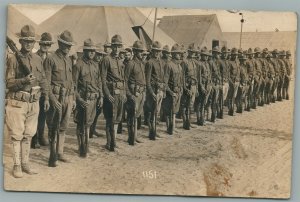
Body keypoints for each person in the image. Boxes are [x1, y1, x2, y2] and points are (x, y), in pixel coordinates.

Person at [5, 25, 50, 177]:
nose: (29, 44)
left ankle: (25, 164)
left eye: (31, 41)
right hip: (18, 102)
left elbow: (43, 80)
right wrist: (24, 80)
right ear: (21, 41)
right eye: (26, 41)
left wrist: (46, 97)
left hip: (34, 102)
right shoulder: (13, 59)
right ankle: (17, 166)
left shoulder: (38, 59)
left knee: (29, 134)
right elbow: (8, 82)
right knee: (17, 135)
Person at [44, 30, 76, 167]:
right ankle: (52, 156)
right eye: (66, 45)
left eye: (70, 46)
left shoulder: (69, 60)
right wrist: (51, 99)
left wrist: (73, 98)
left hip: (68, 97)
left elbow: (71, 81)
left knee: (63, 127)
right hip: (56, 97)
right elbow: (46, 82)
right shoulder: (50, 59)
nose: (69, 48)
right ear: (59, 43)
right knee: (53, 127)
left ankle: (60, 152)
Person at [73, 38, 103, 157]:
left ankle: (87, 146)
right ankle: (82, 148)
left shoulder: (96, 65)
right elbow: (73, 85)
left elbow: (99, 81)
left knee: (89, 124)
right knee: (81, 124)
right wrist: (78, 99)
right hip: (83, 99)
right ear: (84, 51)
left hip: (94, 98)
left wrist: (101, 96)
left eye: (93, 51)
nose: (92, 53)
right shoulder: (78, 65)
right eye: (89, 50)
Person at [101, 34, 127, 151]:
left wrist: (125, 93)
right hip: (111, 93)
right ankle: (109, 143)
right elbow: (102, 79)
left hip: (120, 93)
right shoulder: (106, 59)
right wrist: (107, 94)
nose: (117, 49)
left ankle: (114, 141)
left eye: (119, 46)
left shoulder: (120, 61)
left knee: (117, 119)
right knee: (110, 118)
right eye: (115, 46)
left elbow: (123, 79)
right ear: (111, 47)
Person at [31, 32, 55, 149]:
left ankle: (41, 137)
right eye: (44, 44)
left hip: (47, 90)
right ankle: (34, 139)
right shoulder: (34, 56)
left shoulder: (51, 58)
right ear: (40, 44)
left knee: (43, 116)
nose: (46, 46)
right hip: (37, 90)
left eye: (48, 44)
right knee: (35, 115)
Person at [124, 40, 147, 145]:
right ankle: (131, 138)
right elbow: (125, 80)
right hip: (134, 93)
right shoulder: (130, 64)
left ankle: (135, 136)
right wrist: (129, 95)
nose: (142, 53)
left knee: (137, 116)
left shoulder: (142, 64)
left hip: (141, 93)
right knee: (131, 116)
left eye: (142, 51)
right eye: (139, 51)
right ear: (134, 51)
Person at [145, 41, 165, 140]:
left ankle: (155, 131)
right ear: (152, 51)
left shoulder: (161, 62)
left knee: (156, 112)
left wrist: (163, 90)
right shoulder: (149, 62)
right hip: (153, 90)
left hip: (160, 90)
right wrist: (151, 92)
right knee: (151, 112)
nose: (157, 53)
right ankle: (151, 132)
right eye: (155, 51)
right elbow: (147, 80)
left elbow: (162, 78)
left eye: (159, 51)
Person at [164, 44, 183, 134]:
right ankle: (169, 128)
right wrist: (170, 92)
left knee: (175, 110)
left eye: (179, 53)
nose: (179, 55)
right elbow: (165, 82)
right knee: (169, 111)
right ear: (173, 54)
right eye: (177, 53)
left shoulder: (179, 66)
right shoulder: (169, 65)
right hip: (171, 92)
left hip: (178, 91)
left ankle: (173, 127)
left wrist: (181, 89)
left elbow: (181, 79)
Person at [89, 44, 107, 138]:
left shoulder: (99, 65)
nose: (100, 57)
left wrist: (101, 95)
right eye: (98, 54)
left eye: (101, 55)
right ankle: (89, 132)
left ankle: (92, 130)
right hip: (90, 93)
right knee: (91, 114)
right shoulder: (90, 64)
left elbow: (100, 81)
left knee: (97, 112)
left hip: (99, 92)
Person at [180, 43, 198, 129]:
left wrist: (196, 88)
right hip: (187, 86)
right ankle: (185, 123)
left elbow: (195, 76)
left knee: (190, 105)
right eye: (191, 52)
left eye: (194, 52)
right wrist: (184, 87)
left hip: (193, 86)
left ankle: (189, 122)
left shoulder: (193, 62)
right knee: (184, 105)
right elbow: (182, 76)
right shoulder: (184, 62)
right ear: (188, 52)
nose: (193, 53)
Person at [195, 48, 212, 126]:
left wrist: (209, 85)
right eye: (204, 55)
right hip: (201, 86)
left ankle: (202, 118)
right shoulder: (199, 64)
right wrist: (201, 87)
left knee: (204, 103)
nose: (206, 57)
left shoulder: (207, 64)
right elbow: (198, 77)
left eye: (207, 56)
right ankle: (199, 119)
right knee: (199, 103)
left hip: (207, 85)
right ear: (201, 55)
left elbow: (209, 75)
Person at [227, 48, 240, 116]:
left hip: (237, 81)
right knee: (231, 96)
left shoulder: (237, 62)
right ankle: (230, 110)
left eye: (236, 55)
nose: (235, 56)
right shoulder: (229, 62)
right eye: (234, 55)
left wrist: (239, 80)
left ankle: (232, 109)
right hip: (232, 81)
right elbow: (228, 74)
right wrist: (231, 82)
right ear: (231, 55)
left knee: (234, 96)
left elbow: (238, 72)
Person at [210, 46, 222, 122]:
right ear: (213, 54)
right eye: (217, 53)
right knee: (212, 101)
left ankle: (214, 116)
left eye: (218, 53)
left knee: (216, 100)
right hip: (212, 84)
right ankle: (212, 116)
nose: (218, 55)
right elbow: (210, 74)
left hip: (217, 83)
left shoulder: (217, 62)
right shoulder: (211, 62)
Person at [218, 46, 230, 118]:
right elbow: (218, 73)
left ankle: (220, 112)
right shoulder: (219, 61)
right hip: (221, 82)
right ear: (221, 53)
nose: (225, 55)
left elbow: (228, 72)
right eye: (224, 53)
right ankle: (220, 113)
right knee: (220, 98)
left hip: (226, 82)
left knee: (224, 98)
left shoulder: (227, 62)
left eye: (226, 53)